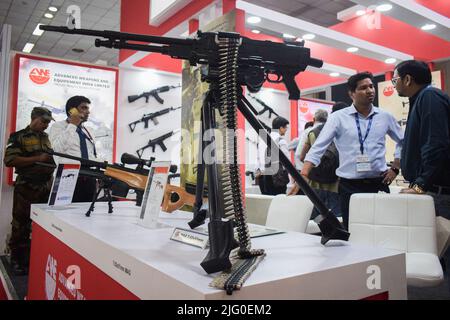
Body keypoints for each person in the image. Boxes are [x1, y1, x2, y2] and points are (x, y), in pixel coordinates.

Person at [302, 72, 404, 229]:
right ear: (351, 94)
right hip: (350, 186)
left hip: (379, 182)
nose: (370, 90)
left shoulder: (385, 116)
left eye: (371, 86)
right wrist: (303, 174)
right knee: (354, 229)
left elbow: (403, 141)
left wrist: (396, 167)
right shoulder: (338, 117)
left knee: (382, 228)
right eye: (363, 88)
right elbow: (318, 147)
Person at [392, 60, 450, 220]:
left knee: (437, 243)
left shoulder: (429, 97)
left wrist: (420, 185)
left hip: (437, 192)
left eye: (395, 80)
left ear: (408, 80)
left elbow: (435, 145)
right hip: (432, 189)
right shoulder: (422, 98)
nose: (394, 85)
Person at [3, 107, 55, 275]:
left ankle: (33, 258)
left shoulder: (45, 137)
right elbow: (10, 160)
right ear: (34, 118)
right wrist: (37, 159)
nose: (46, 125)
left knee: (41, 226)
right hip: (26, 188)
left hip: (45, 187)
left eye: (48, 122)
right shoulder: (18, 136)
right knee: (21, 225)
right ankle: (17, 260)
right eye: (44, 121)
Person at [49, 96, 97, 202]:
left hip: (89, 178)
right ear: (72, 110)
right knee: (63, 215)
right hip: (68, 177)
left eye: (88, 109)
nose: (88, 112)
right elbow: (57, 149)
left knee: (87, 214)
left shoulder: (88, 130)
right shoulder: (58, 127)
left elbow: (90, 154)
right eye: (84, 108)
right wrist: (72, 125)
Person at [261, 116, 290, 195]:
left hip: (266, 175)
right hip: (278, 177)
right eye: (286, 127)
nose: (286, 129)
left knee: (268, 200)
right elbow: (287, 162)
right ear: (281, 128)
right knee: (279, 200)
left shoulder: (265, 139)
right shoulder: (281, 141)